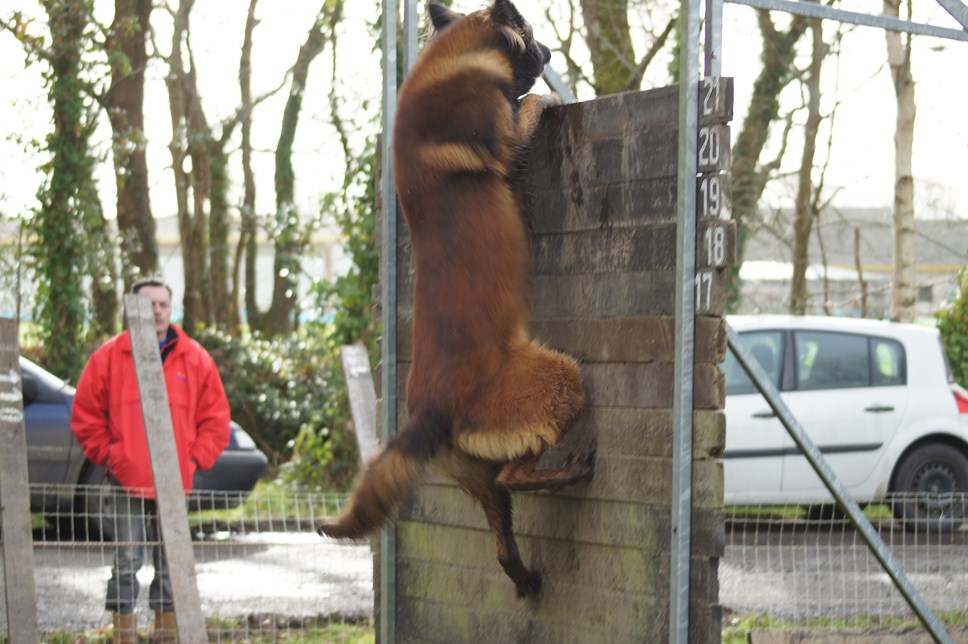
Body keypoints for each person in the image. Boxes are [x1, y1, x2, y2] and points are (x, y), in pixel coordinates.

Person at [71, 277, 231, 643]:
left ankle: (165, 634)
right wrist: (112, 456)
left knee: (171, 562)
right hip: (127, 480)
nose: (157, 311)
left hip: (176, 483)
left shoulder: (195, 358)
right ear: (132, 308)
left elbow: (216, 420)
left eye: (163, 304)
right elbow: (85, 416)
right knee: (127, 561)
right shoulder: (108, 357)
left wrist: (192, 462)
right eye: (149, 304)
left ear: (171, 308)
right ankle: (123, 635)